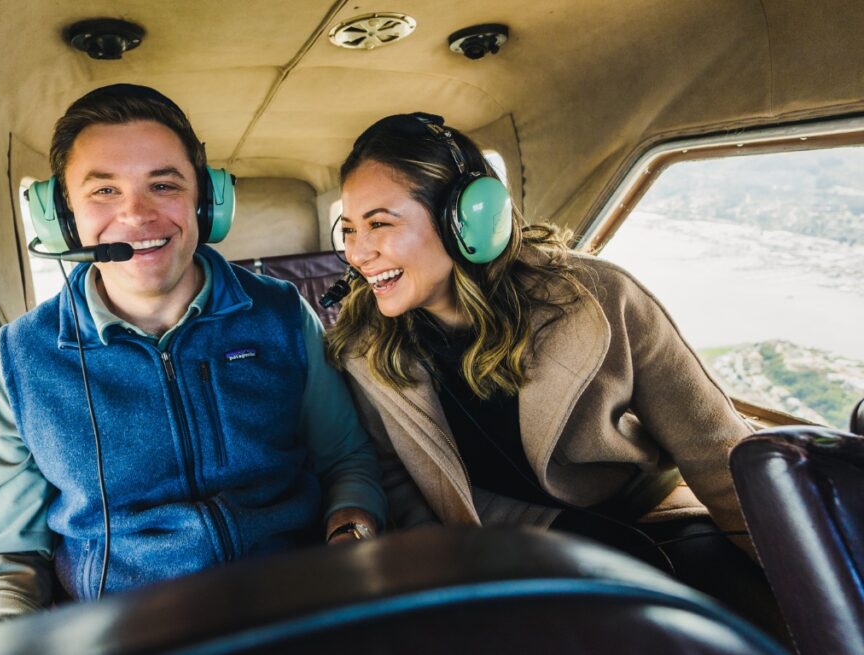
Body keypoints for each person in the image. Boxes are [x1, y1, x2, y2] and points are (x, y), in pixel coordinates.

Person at [326, 112, 785, 638]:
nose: (359, 254)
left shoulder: (599, 299)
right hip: (507, 554)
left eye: (380, 224)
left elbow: (715, 451)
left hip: (651, 522)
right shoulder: (365, 349)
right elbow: (398, 484)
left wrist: (805, 580)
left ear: (466, 220)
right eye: (350, 230)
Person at [0, 84, 386, 631]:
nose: (137, 215)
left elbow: (346, 460)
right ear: (62, 219)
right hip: (123, 631)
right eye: (104, 190)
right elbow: (4, 557)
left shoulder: (280, 313)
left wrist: (351, 535)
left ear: (205, 202)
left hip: (296, 608)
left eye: (163, 184)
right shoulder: (23, 358)